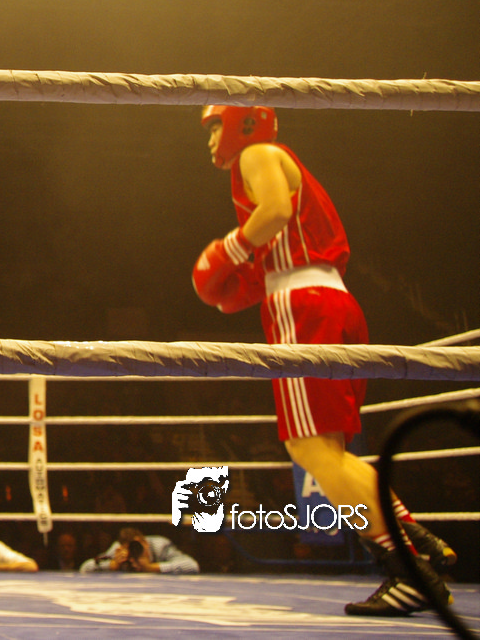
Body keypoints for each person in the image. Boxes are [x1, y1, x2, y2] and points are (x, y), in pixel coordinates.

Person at [193, 106, 455, 616]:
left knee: (310, 448)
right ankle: (415, 540)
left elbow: (275, 211)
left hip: (303, 307)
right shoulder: (280, 161)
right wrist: (248, 277)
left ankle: (408, 571)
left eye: (214, 127)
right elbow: (287, 232)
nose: (209, 140)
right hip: (329, 300)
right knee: (329, 451)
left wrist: (228, 251)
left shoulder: (257, 153)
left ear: (242, 123)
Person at [80, 527, 198, 573]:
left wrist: (152, 567)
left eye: (138, 546)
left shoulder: (160, 546)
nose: (135, 550)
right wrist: (113, 564)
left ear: (145, 542)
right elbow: (85, 568)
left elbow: (192, 566)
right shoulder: (118, 549)